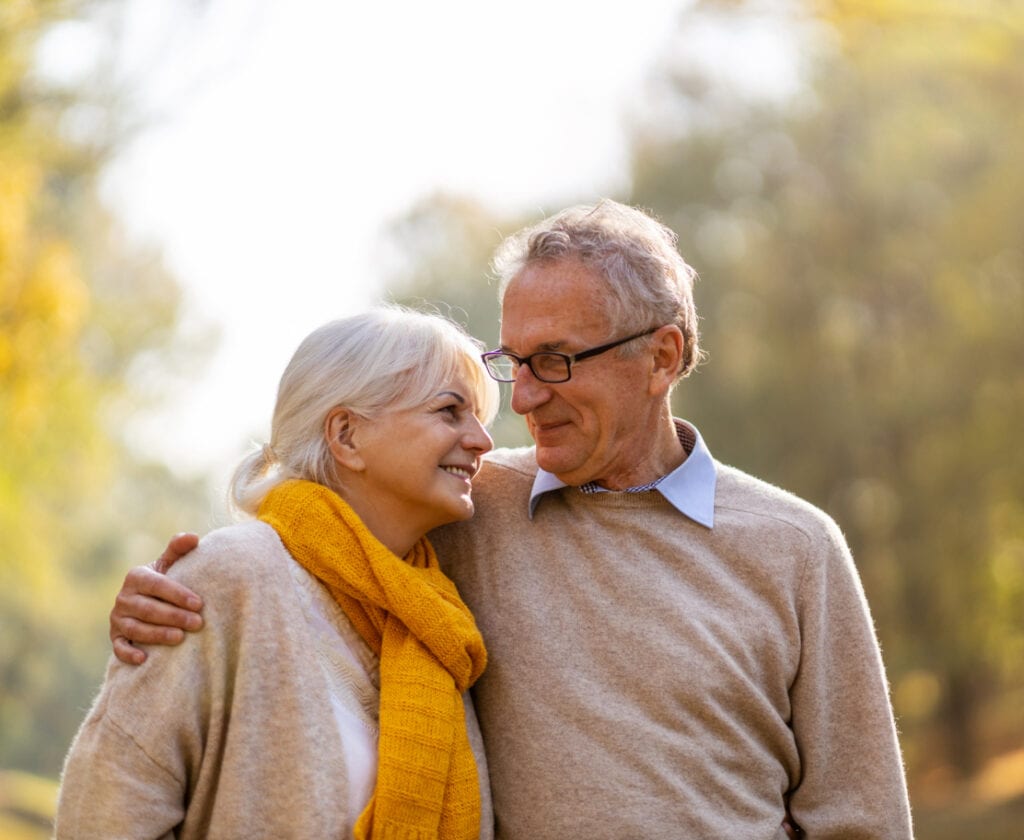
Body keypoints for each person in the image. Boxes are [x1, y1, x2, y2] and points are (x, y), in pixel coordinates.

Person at [109, 200, 914, 838]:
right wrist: (167, 598)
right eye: (514, 361)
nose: (523, 398)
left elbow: (862, 820)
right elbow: (316, 521)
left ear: (663, 356)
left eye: (557, 360)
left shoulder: (796, 547)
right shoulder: (463, 505)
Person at [57, 307, 499, 839]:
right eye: (450, 412)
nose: (482, 441)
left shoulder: (437, 619)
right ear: (346, 435)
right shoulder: (228, 577)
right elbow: (106, 811)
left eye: (479, 418)